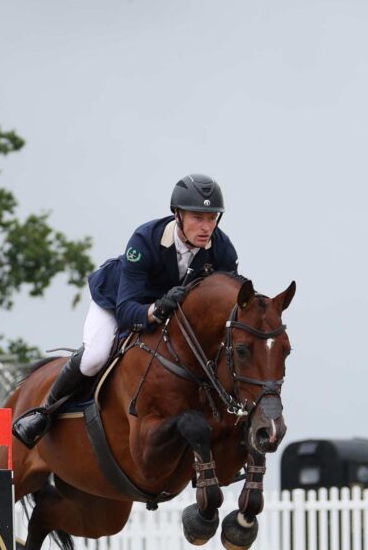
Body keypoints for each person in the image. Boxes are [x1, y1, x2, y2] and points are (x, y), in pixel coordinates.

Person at [12, 174, 240, 447]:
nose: (206, 227)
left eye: (212, 218)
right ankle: (43, 413)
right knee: (95, 356)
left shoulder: (223, 251)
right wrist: (156, 309)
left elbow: (229, 307)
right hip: (117, 301)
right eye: (197, 217)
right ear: (177, 215)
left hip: (171, 315)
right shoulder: (145, 239)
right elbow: (126, 311)